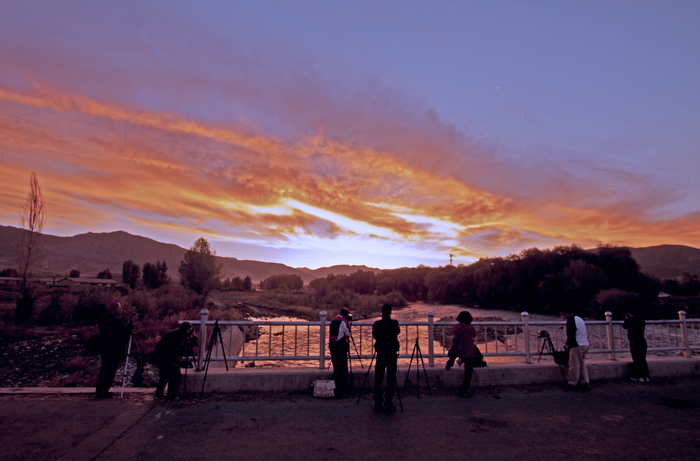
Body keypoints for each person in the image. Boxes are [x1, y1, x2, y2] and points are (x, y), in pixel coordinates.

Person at [95, 301, 132, 399]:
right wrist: (131, 323)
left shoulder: (108, 320)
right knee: (108, 371)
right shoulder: (111, 320)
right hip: (110, 350)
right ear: (113, 309)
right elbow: (122, 334)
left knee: (107, 371)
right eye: (119, 308)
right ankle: (101, 393)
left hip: (107, 349)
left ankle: (102, 392)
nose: (121, 309)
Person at [154, 322, 198, 401]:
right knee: (175, 378)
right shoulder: (181, 337)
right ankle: (171, 397)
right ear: (187, 330)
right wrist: (193, 336)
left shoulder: (174, 334)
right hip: (171, 358)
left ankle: (158, 394)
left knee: (163, 377)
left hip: (162, 356)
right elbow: (193, 343)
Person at [372, 304, 400, 414]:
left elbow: (375, 336)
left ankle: (378, 401)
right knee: (391, 377)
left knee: (378, 376)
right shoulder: (394, 323)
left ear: (381, 312)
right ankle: (389, 401)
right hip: (392, 353)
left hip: (381, 352)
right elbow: (397, 332)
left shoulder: (377, 324)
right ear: (391, 312)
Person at [445, 311, 479, 398]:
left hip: (458, 349)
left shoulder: (456, 327)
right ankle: (464, 391)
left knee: (454, 354)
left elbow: (455, 336)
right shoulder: (470, 328)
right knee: (468, 373)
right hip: (468, 351)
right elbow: (474, 335)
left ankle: (450, 363)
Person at [561, 308, 591, 390]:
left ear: (565, 313)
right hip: (585, 343)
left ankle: (572, 382)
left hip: (577, 345)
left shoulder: (570, 321)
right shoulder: (579, 319)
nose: (562, 316)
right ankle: (585, 381)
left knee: (574, 364)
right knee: (582, 364)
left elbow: (571, 334)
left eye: (562, 314)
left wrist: (568, 345)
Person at [328, 307, 352, 398]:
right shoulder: (344, 322)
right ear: (346, 315)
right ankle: (342, 390)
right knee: (343, 368)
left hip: (332, 346)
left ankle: (335, 389)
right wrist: (349, 326)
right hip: (340, 347)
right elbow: (348, 334)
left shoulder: (333, 320)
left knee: (336, 367)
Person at [623, 310, 650, 382]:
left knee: (636, 359)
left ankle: (638, 376)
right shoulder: (641, 321)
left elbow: (625, 326)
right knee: (642, 359)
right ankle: (646, 376)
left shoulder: (631, 321)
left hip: (634, 341)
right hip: (642, 341)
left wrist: (627, 319)